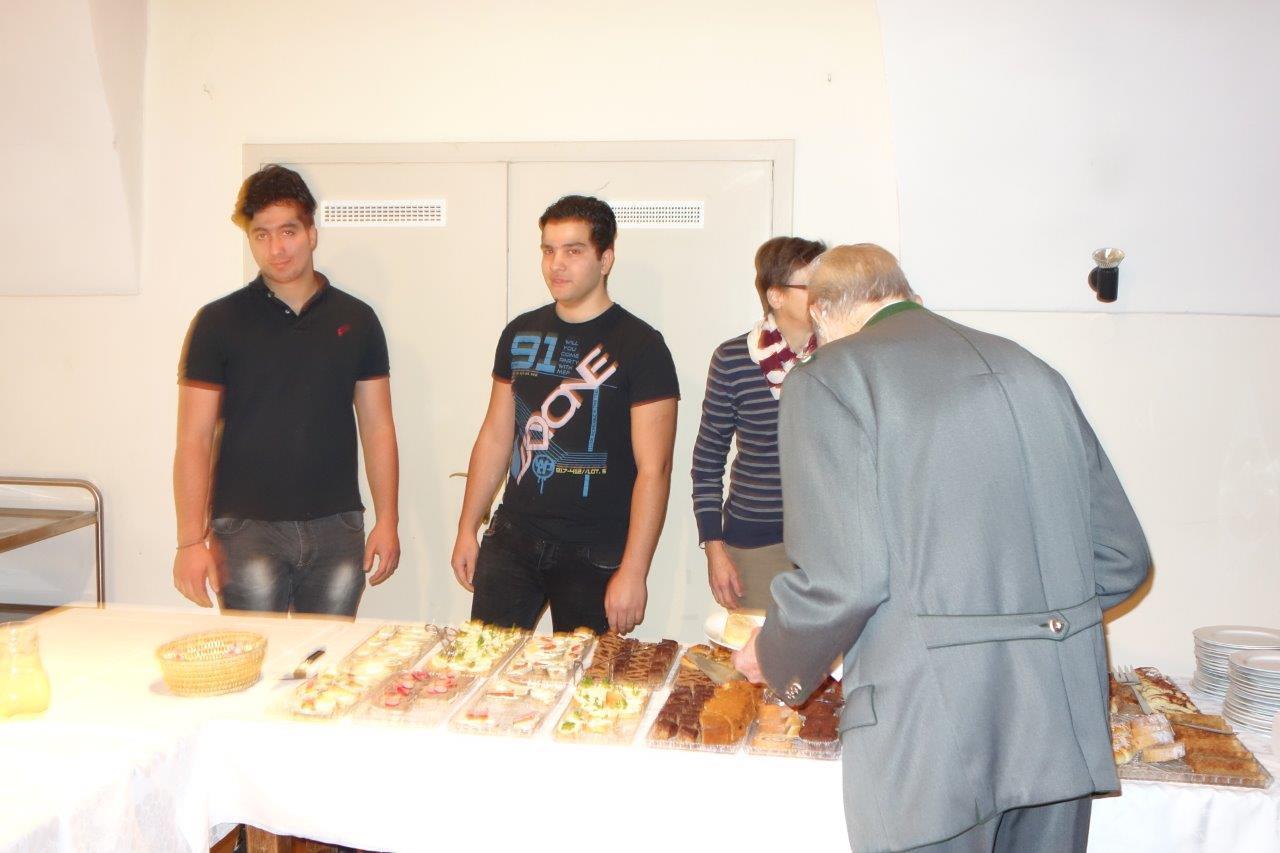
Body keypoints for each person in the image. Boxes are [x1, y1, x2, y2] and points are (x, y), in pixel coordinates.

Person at [733, 244, 1150, 852]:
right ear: (907, 296)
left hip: (931, 731)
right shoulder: (1033, 370)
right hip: (1059, 718)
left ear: (821, 313)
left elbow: (846, 578)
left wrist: (776, 654)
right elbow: (1123, 558)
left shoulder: (830, 376)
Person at [173, 164, 401, 616]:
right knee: (258, 657)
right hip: (245, 530)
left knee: (330, 657)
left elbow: (378, 427)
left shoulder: (357, 320)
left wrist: (388, 520)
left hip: (337, 527)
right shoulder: (218, 322)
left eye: (288, 231)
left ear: (312, 233)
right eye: (261, 235)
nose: (276, 248)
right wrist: (189, 541)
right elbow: (193, 438)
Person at [450, 195, 679, 635]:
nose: (557, 263)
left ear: (605, 259)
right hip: (513, 538)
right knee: (485, 663)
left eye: (573, 250)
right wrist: (466, 527)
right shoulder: (519, 332)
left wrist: (634, 571)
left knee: (587, 675)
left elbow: (656, 469)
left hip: (596, 552)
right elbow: (496, 435)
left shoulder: (642, 345)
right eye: (548, 250)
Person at [692, 236, 825, 611]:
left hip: (827, 545)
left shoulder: (840, 356)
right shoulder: (733, 358)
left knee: (825, 652)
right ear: (776, 296)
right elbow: (707, 460)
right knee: (754, 648)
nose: (824, 295)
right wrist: (714, 549)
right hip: (754, 543)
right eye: (812, 286)